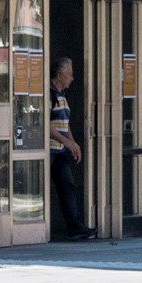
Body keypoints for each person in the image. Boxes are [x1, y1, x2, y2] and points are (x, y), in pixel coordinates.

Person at [50, 55, 88, 240]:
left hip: (60, 149)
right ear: (59, 75)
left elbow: (65, 123)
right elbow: (45, 124)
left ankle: (75, 227)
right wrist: (66, 142)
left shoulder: (62, 96)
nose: (72, 78)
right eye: (69, 74)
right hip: (49, 149)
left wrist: (72, 143)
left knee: (68, 186)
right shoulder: (49, 94)